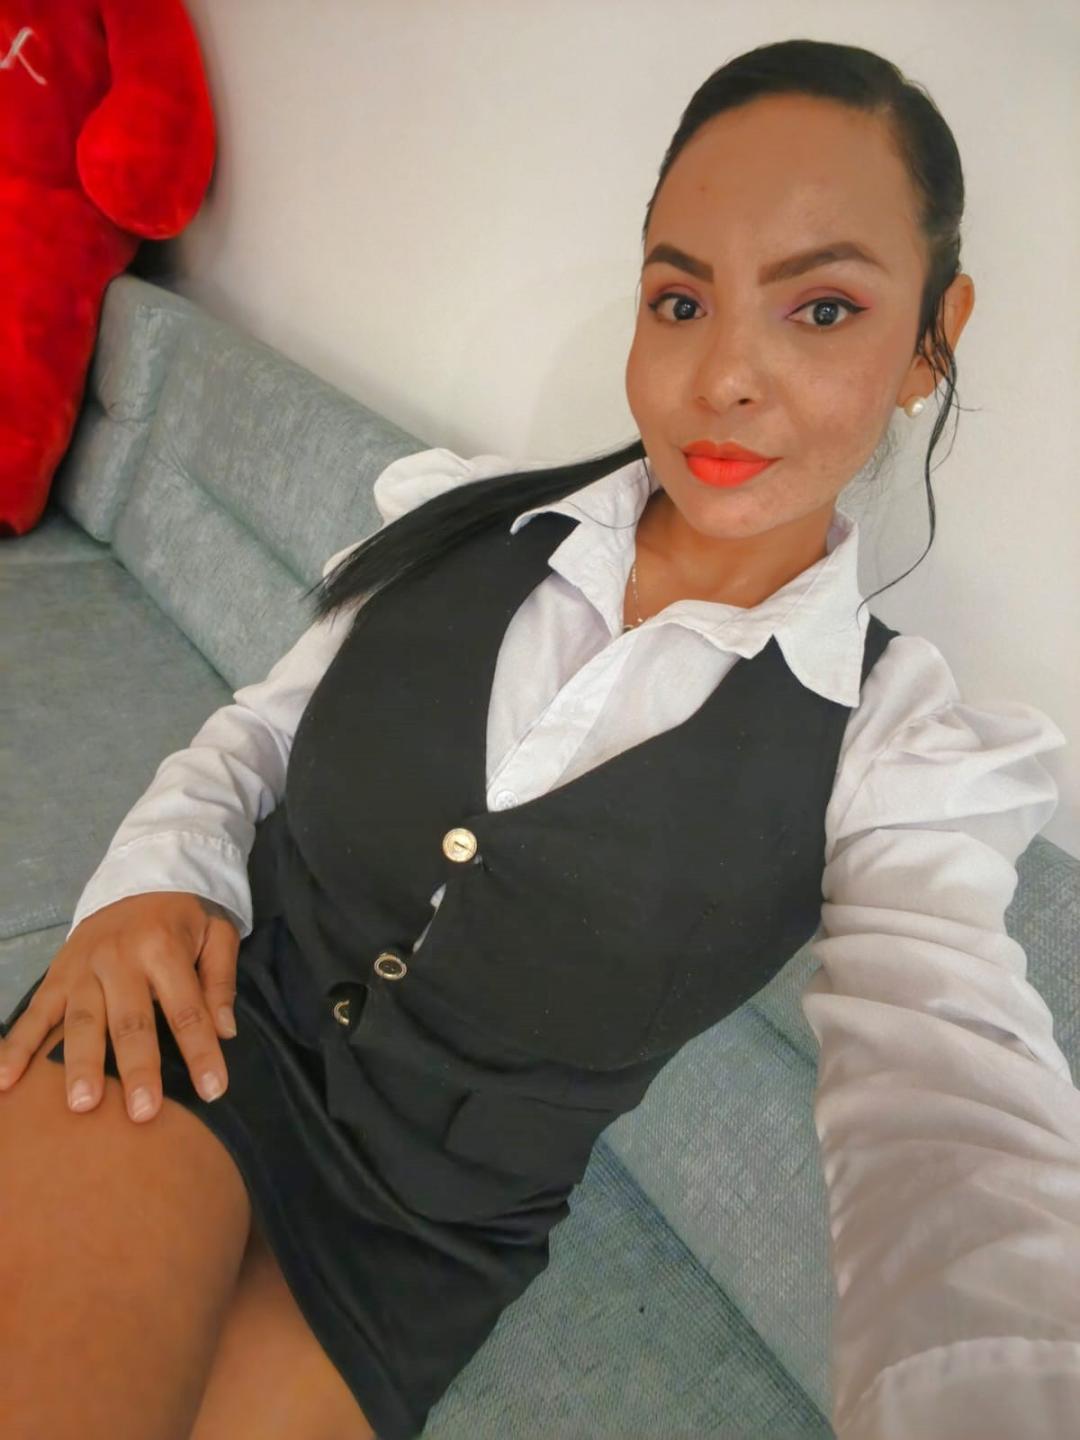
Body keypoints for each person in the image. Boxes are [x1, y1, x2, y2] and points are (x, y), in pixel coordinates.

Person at [2, 35, 1077, 1440]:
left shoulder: (897, 758)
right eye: (681, 300)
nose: (725, 376)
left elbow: (950, 1108)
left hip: (418, 1243)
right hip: (206, 1025)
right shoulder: (465, 517)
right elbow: (266, 730)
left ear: (933, 338)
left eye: (821, 309)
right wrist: (148, 879)